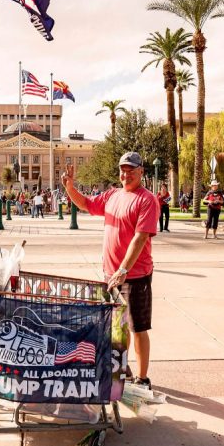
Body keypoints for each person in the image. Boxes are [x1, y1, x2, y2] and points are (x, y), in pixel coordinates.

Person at [62, 152, 159, 391]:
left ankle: (143, 378)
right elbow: (85, 203)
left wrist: (124, 269)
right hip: (111, 276)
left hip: (135, 276)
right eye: (123, 170)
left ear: (141, 172)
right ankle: (122, 369)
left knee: (138, 328)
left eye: (131, 170)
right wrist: (70, 187)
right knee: (117, 327)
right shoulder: (113, 195)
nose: (126, 175)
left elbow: (140, 237)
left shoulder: (147, 200)